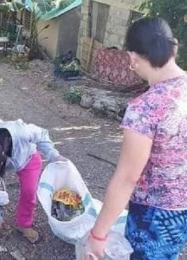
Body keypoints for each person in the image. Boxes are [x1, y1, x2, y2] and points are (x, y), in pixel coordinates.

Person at [85, 17, 187, 259]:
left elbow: (127, 178)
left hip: (154, 215)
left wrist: (98, 235)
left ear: (133, 57)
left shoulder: (145, 108)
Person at [0, 119, 66, 250]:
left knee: (29, 192)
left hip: (28, 159)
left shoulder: (22, 132)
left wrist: (54, 155)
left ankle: (24, 225)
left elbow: (42, 134)